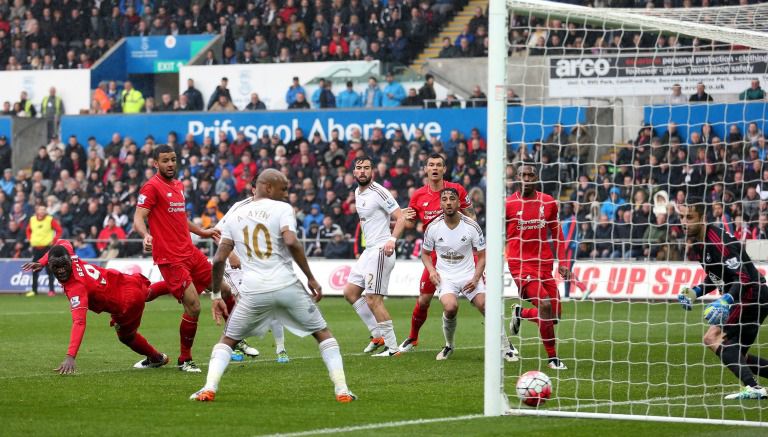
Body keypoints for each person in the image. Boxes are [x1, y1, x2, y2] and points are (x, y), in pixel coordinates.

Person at [190, 169, 356, 403]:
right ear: (268, 187)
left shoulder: (235, 214)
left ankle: (208, 388)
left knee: (227, 340)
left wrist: (216, 294)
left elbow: (218, 259)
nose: (286, 193)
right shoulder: (283, 209)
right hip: (287, 286)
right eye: (284, 188)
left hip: (252, 291)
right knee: (323, 334)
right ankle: (342, 390)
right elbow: (291, 241)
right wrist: (310, 277)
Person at [133, 144, 222, 373]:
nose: (170, 164)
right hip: (170, 257)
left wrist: (203, 232)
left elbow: (181, 217)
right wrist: (145, 235)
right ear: (156, 163)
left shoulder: (178, 185)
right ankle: (185, 359)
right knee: (193, 306)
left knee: (223, 287)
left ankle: (237, 339)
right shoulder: (151, 187)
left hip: (189, 251)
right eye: (165, 160)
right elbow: (139, 218)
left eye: (173, 159)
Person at [23, 241, 168, 374]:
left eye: (63, 266)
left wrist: (70, 356)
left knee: (126, 337)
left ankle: (156, 358)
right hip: (123, 282)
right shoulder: (70, 254)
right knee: (147, 294)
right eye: (56, 267)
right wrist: (42, 262)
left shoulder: (76, 288)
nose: (61, 271)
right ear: (50, 265)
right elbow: (62, 243)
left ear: (69, 261)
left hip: (126, 303)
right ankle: (181, 283)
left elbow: (79, 322)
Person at [678, 203, 768, 400]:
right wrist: (695, 292)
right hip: (750, 294)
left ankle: (754, 388)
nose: (684, 223)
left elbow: (742, 277)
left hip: (750, 294)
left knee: (712, 338)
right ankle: (754, 387)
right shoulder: (697, 245)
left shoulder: (718, 241)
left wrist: (727, 299)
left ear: (702, 218)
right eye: (682, 217)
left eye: (689, 217)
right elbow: (715, 277)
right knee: (737, 356)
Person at [398, 154, 482, 353]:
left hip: (462, 254)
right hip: (435, 255)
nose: (434, 168)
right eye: (431, 165)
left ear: (444, 169)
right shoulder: (418, 195)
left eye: (438, 165)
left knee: (482, 302)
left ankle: (504, 343)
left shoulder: (456, 190)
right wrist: (406, 217)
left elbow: (472, 216)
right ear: (426, 169)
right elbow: (410, 223)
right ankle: (413, 337)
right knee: (424, 300)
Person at [506, 163, 570, 370]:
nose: (527, 178)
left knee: (554, 316)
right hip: (520, 265)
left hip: (544, 265)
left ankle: (521, 314)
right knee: (544, 305)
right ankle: (553, 358)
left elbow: (557, 233)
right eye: (523, 175)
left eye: (530, 175)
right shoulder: (508, 204)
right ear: (517, 178)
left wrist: (563, 262)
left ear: (536, 178)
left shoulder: (548, 202)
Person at [343, 156, 406, 357]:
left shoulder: (379, 192)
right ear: (354, 172)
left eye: (366, 168)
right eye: (359, 168)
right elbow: (378, 220)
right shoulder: (357, 192)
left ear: (372, 171)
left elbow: (401, 217)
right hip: (369, 250)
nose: (362, 171)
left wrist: (392, 240)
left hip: (381, 249)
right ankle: (377, 335)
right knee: (350, 292)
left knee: (373, 299)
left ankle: (393, 348)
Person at [421, 188, 488, 360]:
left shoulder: (472, 226)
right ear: (440, 203)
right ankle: (449, 346)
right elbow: (425, 254)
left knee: (486, 306)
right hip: (446, 277)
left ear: (459, 203)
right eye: (444, 199)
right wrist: (432, 270)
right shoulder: (433, 227)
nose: (448, 202)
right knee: (450, 307)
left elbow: (482, 256)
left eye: (452, 199)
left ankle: (505, 345)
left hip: (468, 275)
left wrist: (475, 278)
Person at [26, 204, 62, 297]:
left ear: (46, 211)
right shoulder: (32, 219)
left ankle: (51, 290)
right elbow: (28, 230)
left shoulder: (50, 219)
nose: (42, 211)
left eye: (43, 210)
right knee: (34, 269)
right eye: (40, 209)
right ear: (37, 211)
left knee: (49, 269)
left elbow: (59, 230)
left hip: (47, 248)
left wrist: (54, 241)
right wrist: (30, 239)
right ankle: (34, 290)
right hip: (36, 248)